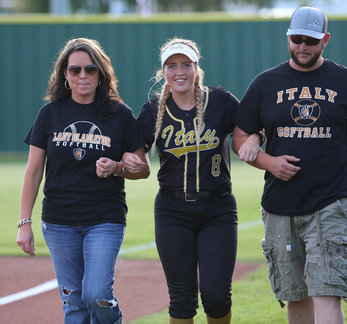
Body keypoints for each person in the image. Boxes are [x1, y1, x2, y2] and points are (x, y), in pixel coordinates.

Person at [232, 6, 347, 324]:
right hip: (279, 205)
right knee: (294, 294)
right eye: (297, 39)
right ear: (288, 38)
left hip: (331, 201)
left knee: (327, 290)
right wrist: (268, 161)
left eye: (311, 40)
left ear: (325, 40)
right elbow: (241, 136)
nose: (303, 46)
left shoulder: (346, 80)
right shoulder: (265, 84)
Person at [125, 37, 261, 324]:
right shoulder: (152, 111)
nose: (179, 72)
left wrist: (256, 138)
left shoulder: (220, 101)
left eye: (186, 65)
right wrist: (127, 163)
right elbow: (136, 160)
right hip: (172, 212)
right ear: (163, 72)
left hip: (218, 210)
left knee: (216, 295)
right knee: (182, 299)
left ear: (196, 68)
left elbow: (252, 126)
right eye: (172, 66)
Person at [16, 37, 150, 324]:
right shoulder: (49, 113)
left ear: (100, 73)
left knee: (97, 294)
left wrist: (116, 167)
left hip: (104, 218)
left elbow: (143, 169)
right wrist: (24, 223)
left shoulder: (120, 114)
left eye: (90, 69)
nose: (83, 76)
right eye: (75, 70)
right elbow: (33, 172)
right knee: (73, 302)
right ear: (65, 74)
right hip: (58, 222)